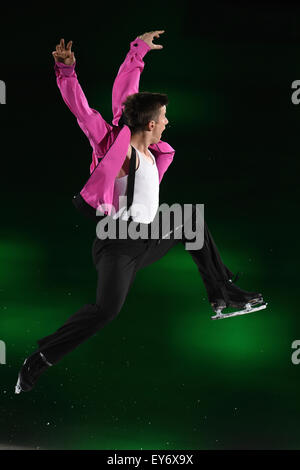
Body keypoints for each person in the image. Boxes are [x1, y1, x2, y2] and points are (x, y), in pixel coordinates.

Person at [15, 31, 266, 394]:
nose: (167, 122)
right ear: (149, 124)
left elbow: (128, 93)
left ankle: (222, 293)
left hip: (145, 236)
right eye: (163, 117)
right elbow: (83, 112)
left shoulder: (151, 151)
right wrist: (66, 72)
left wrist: (139, 50)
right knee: (106, 312)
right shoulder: (117, 150)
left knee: (190, 219)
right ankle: (39, 360)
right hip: (117, 243)